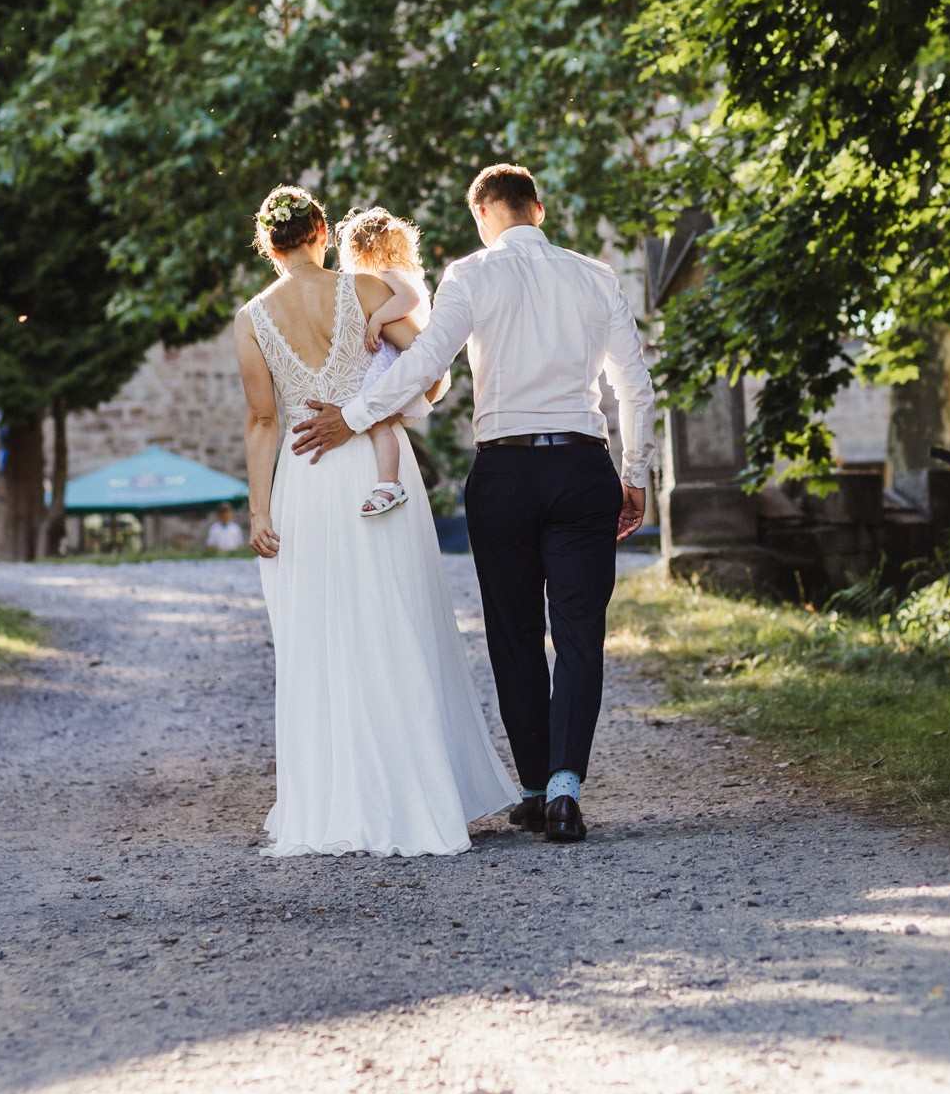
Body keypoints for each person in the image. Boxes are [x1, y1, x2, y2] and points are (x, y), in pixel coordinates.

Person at [294, 162, 656, 846]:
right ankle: (564, 787)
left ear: (483, 214)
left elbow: (427, 362)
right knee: (580, 633)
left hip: (505, 472)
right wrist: (634, 475)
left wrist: (353, 413)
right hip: (583, 466)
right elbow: (635, 388)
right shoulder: (595, 277)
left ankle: (532, 784)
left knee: (513, 631)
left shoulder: (471, 274)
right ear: (538, 210)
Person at [233, 184, 516, 856]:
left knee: (322, 635)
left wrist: (258, 509)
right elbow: (431, 372)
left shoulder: (251, 318)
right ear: (322, 229)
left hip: (304, 480)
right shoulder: (363, 290)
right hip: (374, 467)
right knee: (397, 621)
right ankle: (416, 796)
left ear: (265, 243)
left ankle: (337, 801)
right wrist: (382, 402)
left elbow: (262, 421)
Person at [336, 205, 438, 519]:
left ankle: (389, 484)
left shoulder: (385, 272)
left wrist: (377, 320)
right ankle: (384, 479)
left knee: (378, 421)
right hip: (387, 358)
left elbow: (410, 300)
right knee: (375, 422)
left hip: (393, 362)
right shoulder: (380, 276)